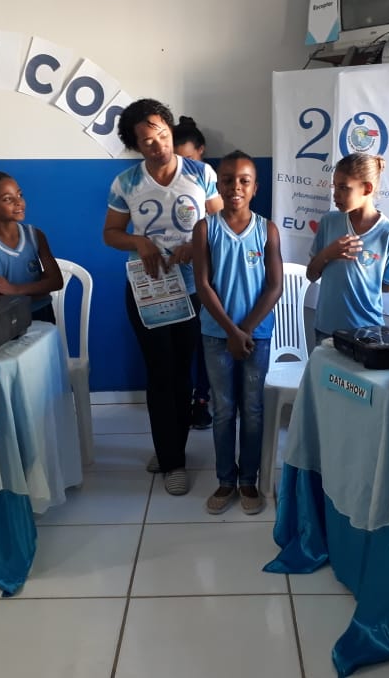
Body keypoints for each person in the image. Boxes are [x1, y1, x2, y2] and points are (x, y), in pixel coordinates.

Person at [103, 98, 223, 496]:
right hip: (149, 291)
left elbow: (221, 222)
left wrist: (196, 244)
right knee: (159, 374)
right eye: (147, 141)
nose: (158, 145)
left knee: (182, 374)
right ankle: (171, 457)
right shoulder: (126, 183)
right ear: (135, 145)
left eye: (163, 135)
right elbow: (111, 234)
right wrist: (139, 242)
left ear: (170, 130)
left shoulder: (201, 173)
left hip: (193, 288)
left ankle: (173, 451)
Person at [192, 151, 283, 515]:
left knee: (254, 409)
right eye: (228, 180)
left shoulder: (267, 229)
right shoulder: (205, 228)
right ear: (218, 185)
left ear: (255, 187)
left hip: (256, 336)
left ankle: (249, 480)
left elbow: (274, 286)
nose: (235, 187)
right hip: (217, 335)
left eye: (244, 180)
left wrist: (244, 330)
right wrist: (231, 331)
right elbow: (203, 285)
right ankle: (225, 479)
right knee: (224, 409)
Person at [306, 152, 389, 346]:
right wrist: (328, 254)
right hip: (327, 328)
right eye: (335, 186)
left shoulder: (388, 232)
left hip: (367, 330)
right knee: (324, 367)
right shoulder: (329, 222)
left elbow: (388, 285)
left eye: (343, 188)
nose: (335, 194)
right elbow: (311, 274)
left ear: (367, 188)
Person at [0, 170, 62, 323]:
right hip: (9, 320)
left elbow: (56, 281)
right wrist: (39, 287)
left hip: (42, 314)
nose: (18, 202)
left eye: (19, 195)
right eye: (7, 199)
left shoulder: (35, 235)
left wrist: (14, 289)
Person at [173, 115, 213, 430]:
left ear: (201, 151)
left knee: (205, 341)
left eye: (188, 158)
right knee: (177, 347)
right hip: (170, 279)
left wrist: (194, 245)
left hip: (204, 277)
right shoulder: (162, 183)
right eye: (177, 159)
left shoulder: (208, 181)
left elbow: (220, 225)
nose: (182, 166)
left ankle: (201, 400)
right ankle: (178, 402)